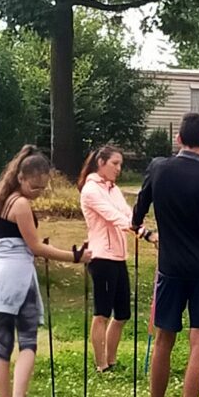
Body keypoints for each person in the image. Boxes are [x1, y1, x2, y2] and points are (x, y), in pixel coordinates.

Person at [132, 112, 199, 397]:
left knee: (163, 339)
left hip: (170, 266)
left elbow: (139, 210)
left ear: (179, 139)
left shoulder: (159, 168)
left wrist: (144, 230)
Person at [0, 146, 91, 397]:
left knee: (1, 344)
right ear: (20, 177)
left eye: (42, 188)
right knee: (28, 339)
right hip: (16, 277)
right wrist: (75, 257)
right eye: (34, 186)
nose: (37, 192)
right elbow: (35, 248)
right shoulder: (19, 204)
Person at [78, 145, 134, 372]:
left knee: (122, 313)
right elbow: (113, 217)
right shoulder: (91, 190)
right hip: (101, 257)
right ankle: (101, 364)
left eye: (120, 164)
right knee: (102, 312)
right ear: (101, 162)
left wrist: (138, 225)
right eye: (115, 164)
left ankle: (111, 359)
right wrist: (142, 232)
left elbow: (128, 214)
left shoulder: (113, 189)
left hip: (118, 256)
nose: (118, 169)